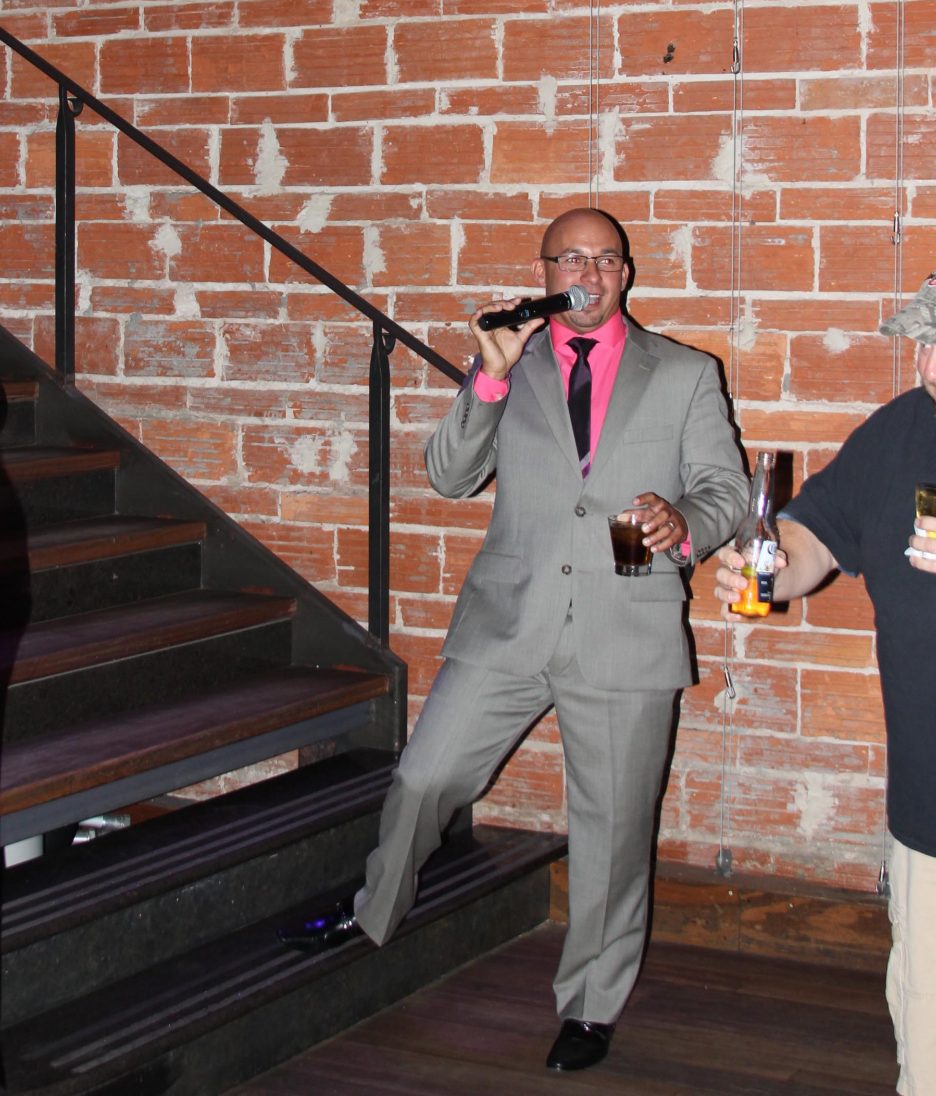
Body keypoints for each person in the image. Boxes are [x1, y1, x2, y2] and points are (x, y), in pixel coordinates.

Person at [281, 207, 748, 1074]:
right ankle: (374, 911)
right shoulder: (511, 361)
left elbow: (726, 489)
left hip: (626, 628)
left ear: (626, 274)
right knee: (425, 775)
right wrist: (487, 381)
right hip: (509, 621)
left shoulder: (685, 373)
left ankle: (591, 1005)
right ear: (544, 273)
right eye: (571, 258)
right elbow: (448, 475)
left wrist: (684, 520)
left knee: (612, 831)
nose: (589, 272)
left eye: (605, 259)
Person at [715, 260, 936, 1096]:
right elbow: (818, 532)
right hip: (932, 802)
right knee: (931, 1028)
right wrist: (772, 563)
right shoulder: (899, 431)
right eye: (928, 340)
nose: (933, 366)